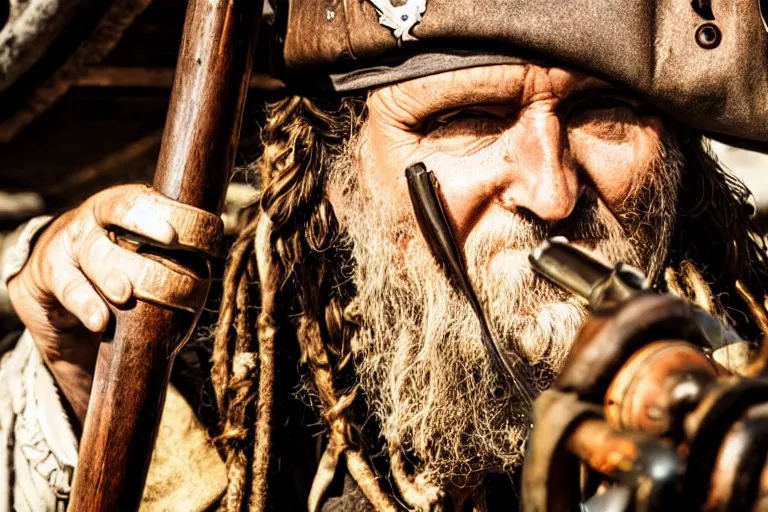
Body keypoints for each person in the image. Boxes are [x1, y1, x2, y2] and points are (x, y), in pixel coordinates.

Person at [3, 1, 768, 510]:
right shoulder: (224, 371)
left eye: (603, 110)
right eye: (469, 119)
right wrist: (81, 385)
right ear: (339, 169)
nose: (553, 190)